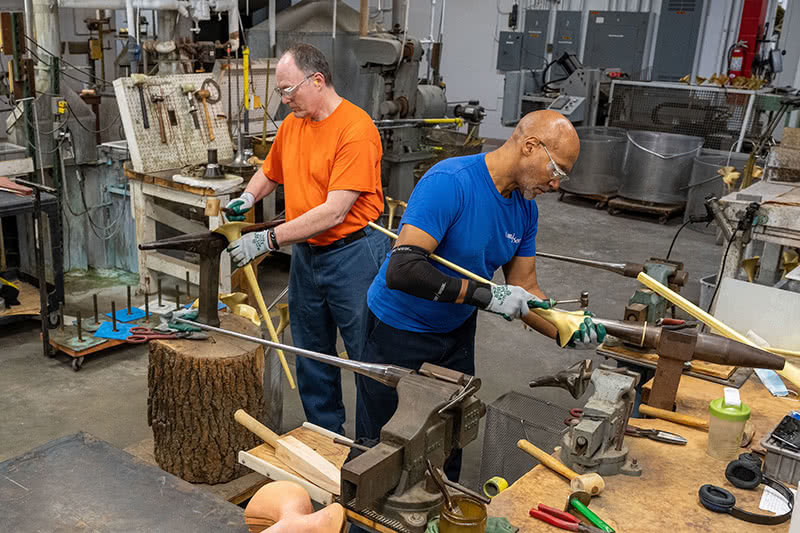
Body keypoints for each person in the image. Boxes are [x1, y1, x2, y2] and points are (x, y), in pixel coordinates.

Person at [357, 110, 606, 481]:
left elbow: (526, 288)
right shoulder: (450, 182)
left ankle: (443, 514)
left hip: (455, 334)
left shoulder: (525, 210)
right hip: (397, 331)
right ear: (530, 146)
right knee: (384, 452)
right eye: (557, 170)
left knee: (449, 437)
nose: (556, 185)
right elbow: (403, 269)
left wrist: (565, 328)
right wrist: (486, 295)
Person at [224, 43, 390, 435]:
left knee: (366, 357)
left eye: (288, 90)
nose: (284, 101)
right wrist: (249, 196)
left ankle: (373, 447)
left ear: (317, 80)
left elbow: (334, 211)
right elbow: (271, 170)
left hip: (354, 256)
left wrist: (268, 239)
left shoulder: (356, 130)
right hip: (308, 257)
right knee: (310, 352)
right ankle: (325, 435)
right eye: (280, 92)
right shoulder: (293, 125)